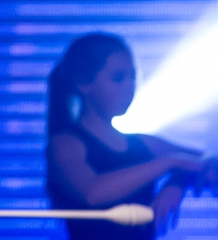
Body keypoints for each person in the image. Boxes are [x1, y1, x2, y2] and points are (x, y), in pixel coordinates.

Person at [45, 33, 217, 238]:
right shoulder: (65, 144)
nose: (130, 86)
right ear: (83, 83)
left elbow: (207, 159)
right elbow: (92, 192)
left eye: (133, 76)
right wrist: (170, 163)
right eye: (118, 78)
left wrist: (177, 180)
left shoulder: (143, 143)